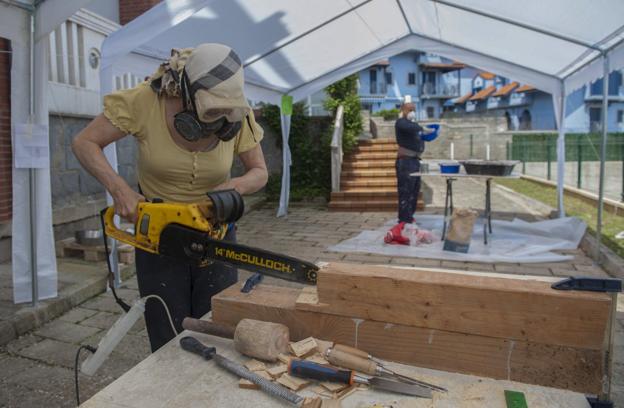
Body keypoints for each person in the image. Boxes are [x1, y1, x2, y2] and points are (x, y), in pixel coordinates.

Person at [72, 44, 268, 351]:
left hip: (215, 233)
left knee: (218, 329)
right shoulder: (146, 101)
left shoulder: (237, 112)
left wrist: (237, 186)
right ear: (188, 92)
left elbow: (260, 171)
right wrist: (120, 190)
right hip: (159, 236)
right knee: (167, 336)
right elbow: (84, 142)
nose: (218, 118)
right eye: (211, 109)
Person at [394, 103, 434, 224]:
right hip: (405, 161)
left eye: (414, 110)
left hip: (415, 161)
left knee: (414, 191)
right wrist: (422, 128)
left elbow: (416, 133)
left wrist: (426, 135)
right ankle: (403, 220)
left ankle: (409, 217)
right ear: (403, 110)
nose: (413, 112)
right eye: (410, 110)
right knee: (405, 191)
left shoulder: (412, 125)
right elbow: (411, 127)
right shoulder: (401, 122)